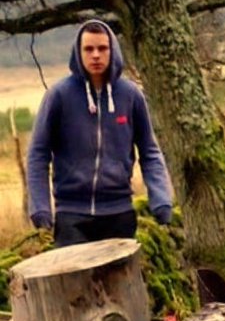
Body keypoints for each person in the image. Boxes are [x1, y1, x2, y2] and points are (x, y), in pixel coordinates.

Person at [26, 19, 174, 247]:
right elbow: (37, 154)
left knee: (120, 282)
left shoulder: (131, 95)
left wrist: (161, 200)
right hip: (71, 215)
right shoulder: (58, 96)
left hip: (119, 213)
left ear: (112, 50)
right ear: (78, 52)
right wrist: (40, 208)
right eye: (89, 49)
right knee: (74, 282)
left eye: (102, 48)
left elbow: (150, 151)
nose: (96, 55)